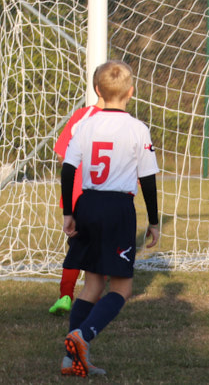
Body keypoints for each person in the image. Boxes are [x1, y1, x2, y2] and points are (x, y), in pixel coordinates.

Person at [59, 60, 160, 377]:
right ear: (131, 92)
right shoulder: (137, 129)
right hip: (117, 209)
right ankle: (83, 336)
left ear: (97, 90)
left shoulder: (85, 125)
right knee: (122, 289)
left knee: (92, 285)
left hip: (87, 204)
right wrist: (154, 221)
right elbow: (148, 180)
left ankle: (70, 360)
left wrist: (69, 212)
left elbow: (68, 169)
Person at [49, 98, 105, 316]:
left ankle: (65, 296)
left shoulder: (81, 116)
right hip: (107, 195)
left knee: (76, 245)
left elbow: (61, 154)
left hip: (77, 193)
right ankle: (95, 298)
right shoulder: (121, 120)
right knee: (101, 247)